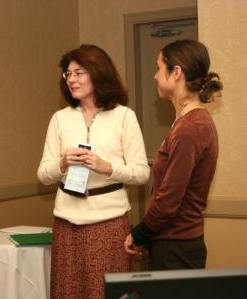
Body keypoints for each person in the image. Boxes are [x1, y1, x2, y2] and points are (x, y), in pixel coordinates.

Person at [37, 44, 149, 299]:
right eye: (68, 74)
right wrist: (62, 164)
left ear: (98, 73)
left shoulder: (124, 116)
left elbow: (142, 173)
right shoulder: (60, 119)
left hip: (108, 225)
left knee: (106, 294)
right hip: (67, 224)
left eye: (79, 72)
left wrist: (106, 167)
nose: (71, 80)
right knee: (67, 293)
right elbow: (43, 174)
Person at [124, 39, 223, 270]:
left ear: (176, 72)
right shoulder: (188, 122)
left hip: (177, 248)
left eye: (159, 68)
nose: (155, 76)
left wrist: (138, 235)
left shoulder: (190, 127)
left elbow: (169, 199)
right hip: (172, 242)